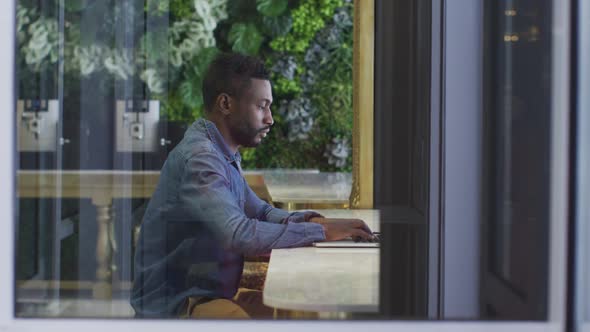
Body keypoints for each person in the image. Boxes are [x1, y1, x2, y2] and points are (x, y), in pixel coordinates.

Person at [131, 53, 374, 319]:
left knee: (294, 308)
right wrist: (318, 232)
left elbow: (259, 211)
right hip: (178, 307)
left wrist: (315, 221)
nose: (270, 119)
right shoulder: (201, 159)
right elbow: (238, 234)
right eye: (262, 106)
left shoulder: (220, 151)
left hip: (205, 293)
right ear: (226, 103)